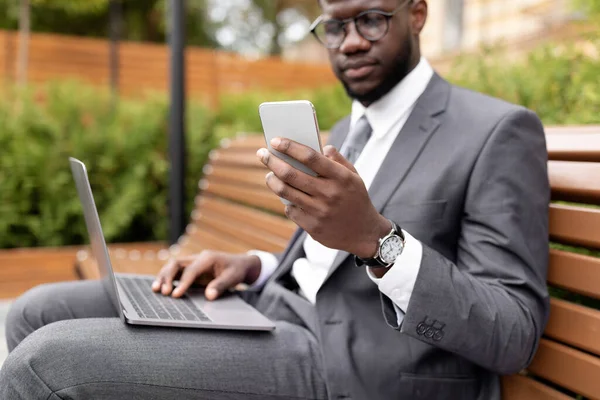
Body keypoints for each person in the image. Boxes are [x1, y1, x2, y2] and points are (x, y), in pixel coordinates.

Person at [0, 0, 550, 398]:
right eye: (333, 27)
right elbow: (320, 263)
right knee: (34, 311)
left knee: (46, 367)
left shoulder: (496, 131)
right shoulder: (345, 127)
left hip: (356, 366)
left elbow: (514, 331)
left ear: (418, 13)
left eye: (371, 19)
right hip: (270, 309)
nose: (350, 41)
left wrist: (376, 241)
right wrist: (255, 267)